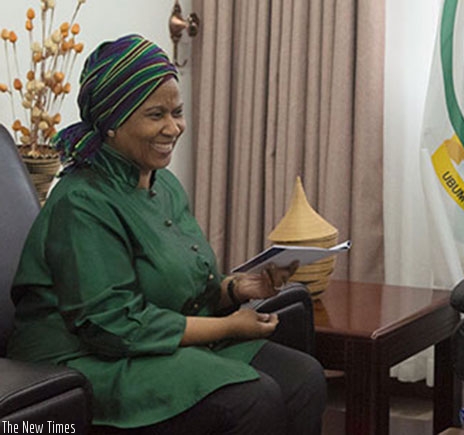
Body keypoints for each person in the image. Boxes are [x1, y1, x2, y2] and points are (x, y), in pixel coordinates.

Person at [8, 34, 326, 434]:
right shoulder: (81, 202)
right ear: (111, 123)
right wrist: (229, 326)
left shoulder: (165, 185)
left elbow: (185, 285)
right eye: (155, 115)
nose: (173, 127)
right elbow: (114, 325)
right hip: (86, 358)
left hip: (155, 342)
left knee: (304, 378)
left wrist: (237, 289)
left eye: (177, 111)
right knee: (251, 399)